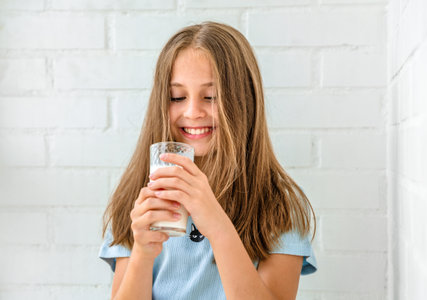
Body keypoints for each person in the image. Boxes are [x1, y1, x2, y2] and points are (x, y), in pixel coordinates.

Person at [99, 21, 317, 300]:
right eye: (177, 97)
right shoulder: (137, 198)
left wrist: (217, 224)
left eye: (211, 97)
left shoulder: (277, 205)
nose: (192, 111)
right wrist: (142, 251)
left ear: (244, 101)